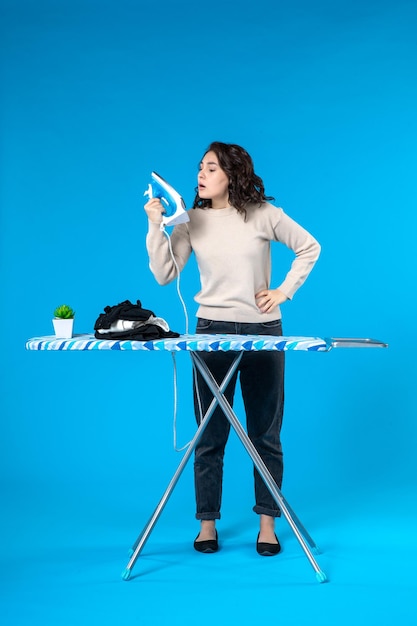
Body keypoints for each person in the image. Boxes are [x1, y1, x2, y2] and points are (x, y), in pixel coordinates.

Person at [144, 142, 320, 556]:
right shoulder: (191, 221)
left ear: (232, 174)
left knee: (265, 432)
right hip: (211, 331)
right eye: (200, 168)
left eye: (211, 168)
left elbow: (309, 247)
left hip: (263, 331)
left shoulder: (263, 214)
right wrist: (156, 226)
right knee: (209, 433)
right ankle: (207, 524)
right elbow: (165, 275)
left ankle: (267, 524)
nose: (201, 175)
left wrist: (283, 292)